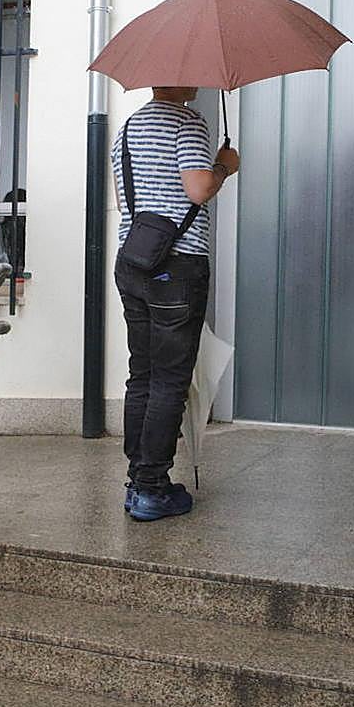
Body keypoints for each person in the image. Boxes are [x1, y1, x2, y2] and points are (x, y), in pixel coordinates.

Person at [114, 87, 239, 521]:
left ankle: (137, 480)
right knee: (170, 379)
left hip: (133, 261)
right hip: (177, 265)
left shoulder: (127, 129)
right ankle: (152, 489)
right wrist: (225, 166)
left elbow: (124, 203)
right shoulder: (187, 122)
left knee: (142, 374)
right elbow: (197, 189)